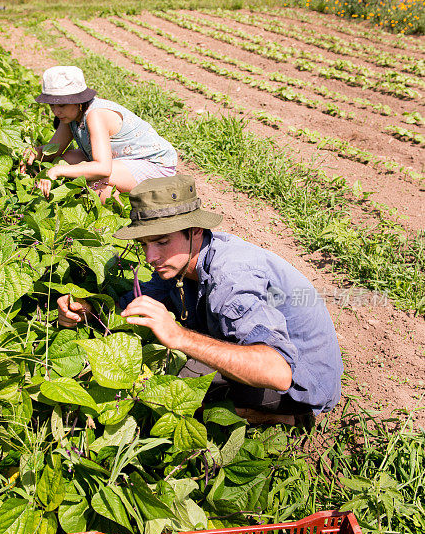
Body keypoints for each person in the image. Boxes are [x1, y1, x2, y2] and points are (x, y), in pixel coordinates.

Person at [57, 174, 343, 426]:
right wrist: (88, 310)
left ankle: (284, 416)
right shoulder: (180, 261)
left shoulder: (231, 280)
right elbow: (139, 301)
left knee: (172, 385)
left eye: (161, 242)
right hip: (276, 363)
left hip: (300, 384)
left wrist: (180, 337)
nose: (150, 258)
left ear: (194, 232)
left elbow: (278, 372)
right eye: (144, 244)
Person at [21, 66, 178, 202]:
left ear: (78, 101)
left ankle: (137, 209)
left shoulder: (95, 115)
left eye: (61, 105)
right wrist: (35, 153)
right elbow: (53, 151)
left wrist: (56, 171)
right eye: (52, 106)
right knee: (65, 159)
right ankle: (120, 195)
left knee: (94, 185)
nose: (56, 111)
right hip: (119, 162)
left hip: (153, 165)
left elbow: (103, 169)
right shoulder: (69, 117)